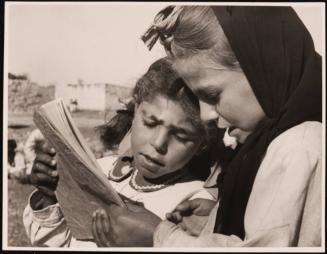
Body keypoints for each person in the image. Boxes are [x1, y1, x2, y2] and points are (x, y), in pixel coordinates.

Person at [95, 5, 322, 247]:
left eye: (212, 95)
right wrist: (215, 220)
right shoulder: (269, 145)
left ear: (263, 70)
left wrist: (160, 238)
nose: (206, 115)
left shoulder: (299, 146)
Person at [23, 58, 217, 247]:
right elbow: (58, 243)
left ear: (202, 145)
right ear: (134, 112)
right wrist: (50, 196)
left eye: (181, 136)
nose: (159, 143)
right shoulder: (100, 169)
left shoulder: (194, 204)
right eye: (150, 123)